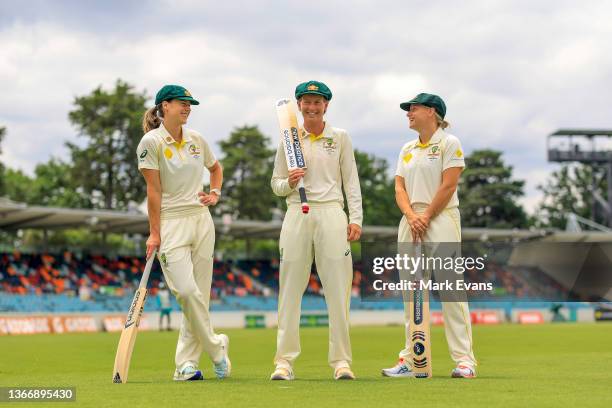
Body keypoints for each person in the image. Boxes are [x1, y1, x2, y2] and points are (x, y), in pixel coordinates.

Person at [270, 80, 363, 381]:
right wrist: (291, 183)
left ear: (326, 105)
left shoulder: (340, 138)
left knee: (337, 291)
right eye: (306, 101)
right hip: (297, 212)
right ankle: (284, 361)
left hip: (332, 214)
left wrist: (356, 218)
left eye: (317, 102)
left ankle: (341, 361)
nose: (311, 107)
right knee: (290, 291)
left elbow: (351, 181)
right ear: (298, 105)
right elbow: (276, 184)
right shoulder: (288, 140)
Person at [137, 84, 230, 381]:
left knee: (199, 296)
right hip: (171, 222)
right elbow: (153, 190)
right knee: (188, 293)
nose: (188, 107)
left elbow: (216, 168)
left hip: (202, 221)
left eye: (190, 104)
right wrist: (154, 233)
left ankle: (186, 365)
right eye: (182, 103)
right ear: (165, 106)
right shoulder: (150, 142)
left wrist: (214, 193)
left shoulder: (196, 140)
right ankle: (217, 348)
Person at [382, 93, 477, 378]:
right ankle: (412, 359)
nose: (408, 113)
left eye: (414, 108)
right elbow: (399, 188)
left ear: (432, 112)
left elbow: (448, 186)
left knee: (450, 288)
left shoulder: (449, 142)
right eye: (408, 109)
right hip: (410, 220)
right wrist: (412, 216)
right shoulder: (407, 148)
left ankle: (464, 360)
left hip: (441, 217)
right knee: (412, 293)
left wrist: (425, 216)